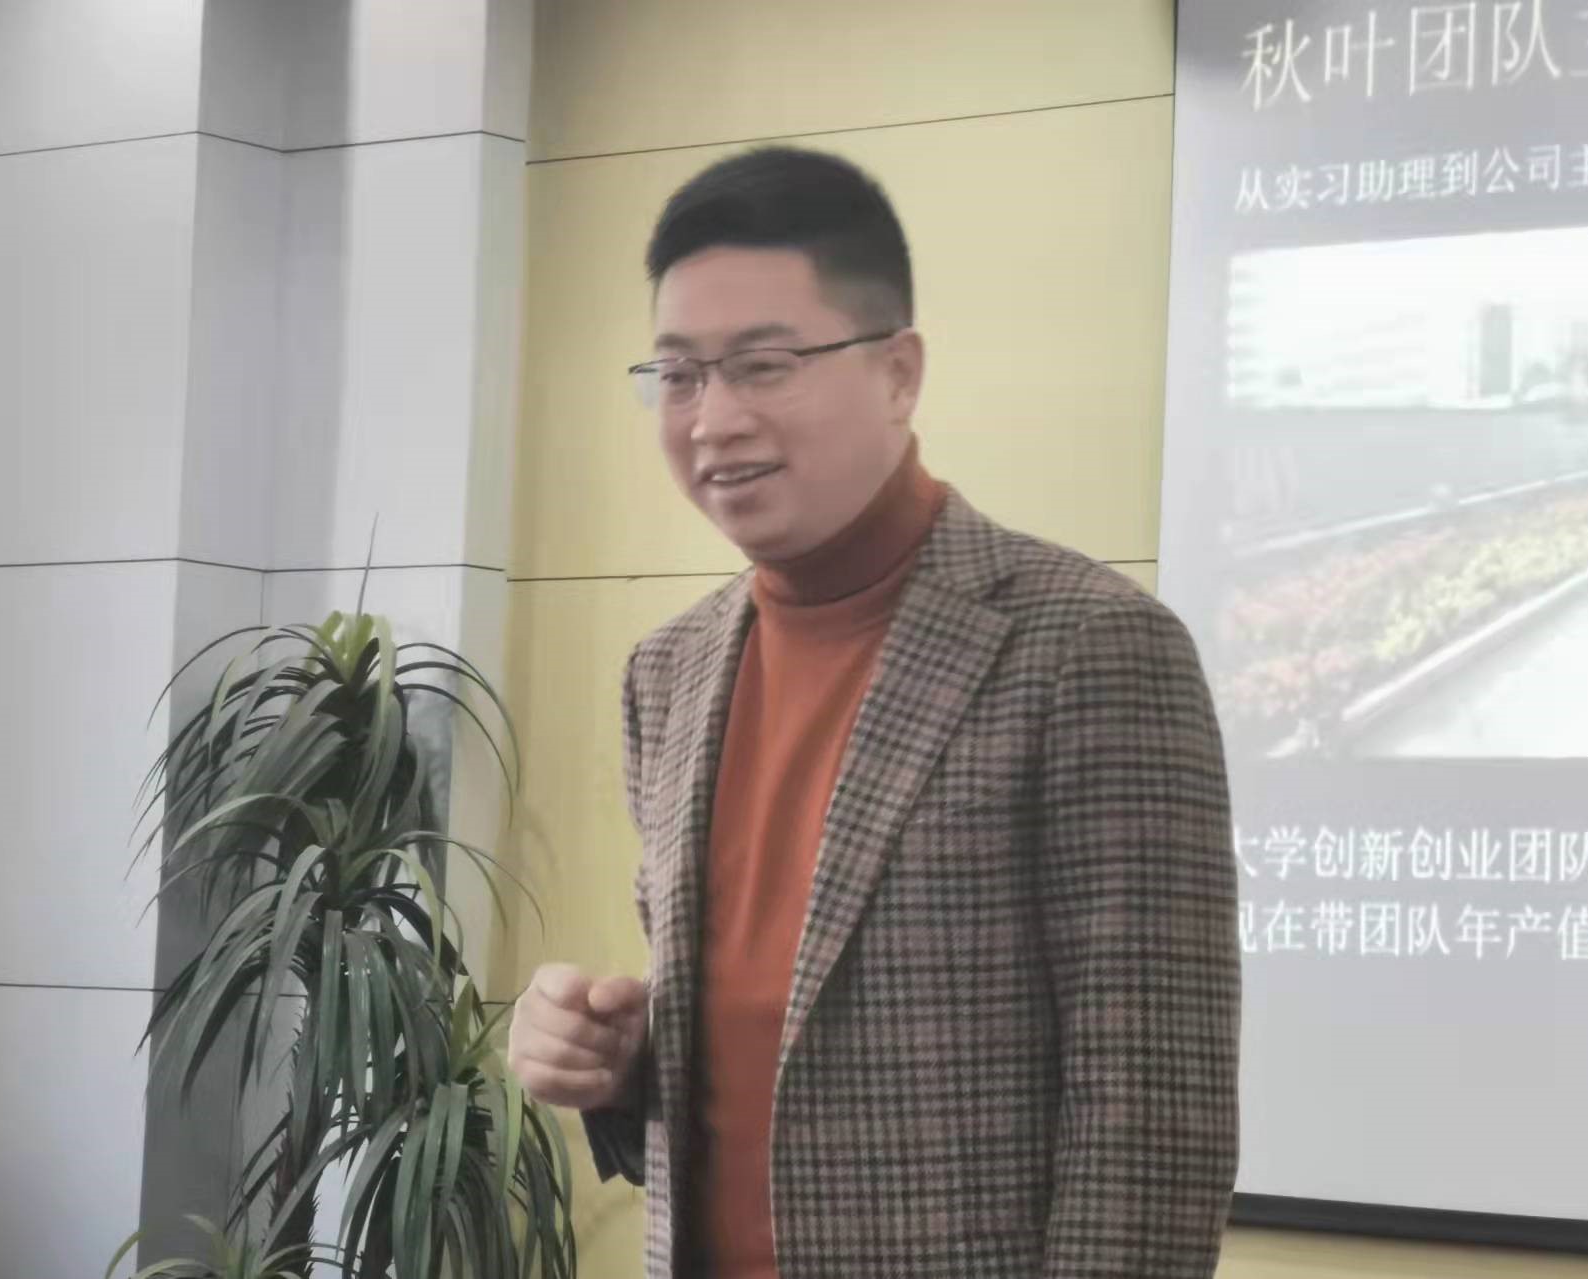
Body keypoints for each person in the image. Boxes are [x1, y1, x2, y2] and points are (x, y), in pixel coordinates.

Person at [507, 146, 1240, 1278]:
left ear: (899, 372)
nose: (712, 420)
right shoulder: (669, 671)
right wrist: (620, 1057)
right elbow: (774, 1051)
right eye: (679, 375)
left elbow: (1150, 1121)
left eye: (763, 365)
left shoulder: (1089, 646)